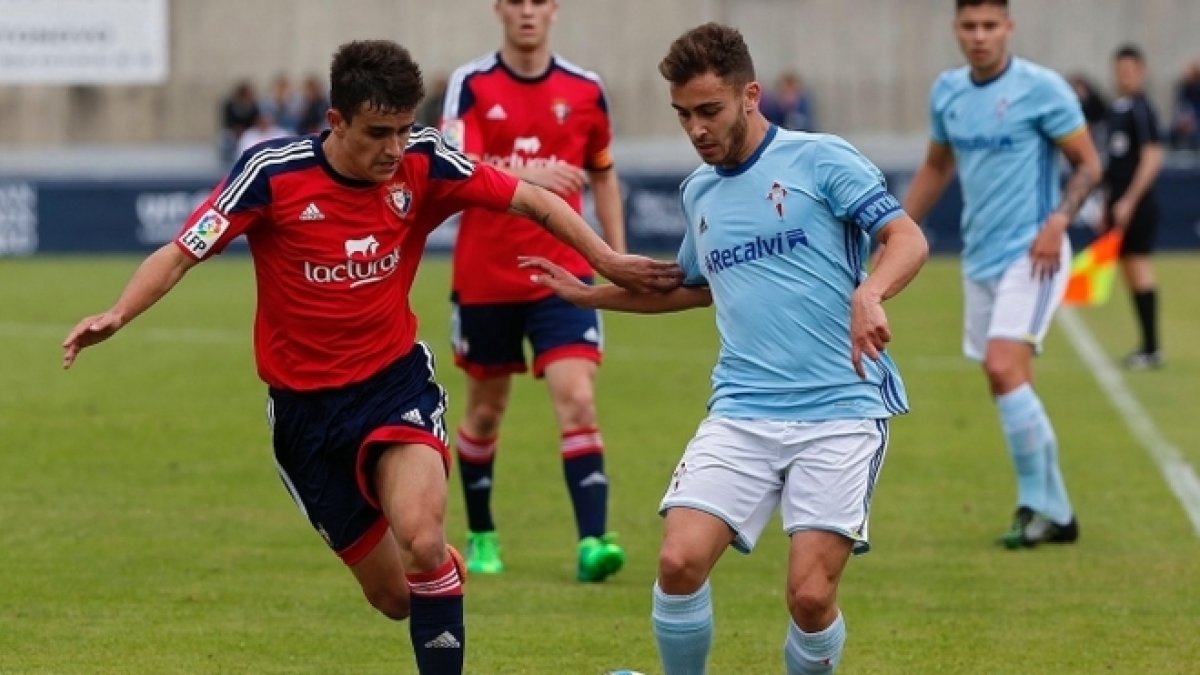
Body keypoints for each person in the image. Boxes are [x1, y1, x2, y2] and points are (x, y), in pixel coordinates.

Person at [61, 39, 679, 675]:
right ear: (336, 121)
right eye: (379, 132)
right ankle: (438, 578)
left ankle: (435, 566)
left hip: (394, 388)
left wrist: (607, 260)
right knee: (396, 598)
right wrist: (118, 313)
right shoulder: (270, 174)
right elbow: (181, 252)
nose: (395, 148)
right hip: (305, 420)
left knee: (421, 540)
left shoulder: (425, 161)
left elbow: (534, 199)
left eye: (405, 129)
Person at [523, 22, 928, 674]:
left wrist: (870, 292)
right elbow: (690, 287)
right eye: (683, 115)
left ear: (750, 96)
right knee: (677, 561)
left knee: (810, 597)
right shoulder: (700, 191)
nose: (696, 129)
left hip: (840, 410)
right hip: (741, 410)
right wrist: (588, 295)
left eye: (709, 110)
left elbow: (906, 237)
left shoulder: (820, 159)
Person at [439, 0, 629, 581]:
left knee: (578, 399)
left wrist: (618, 260)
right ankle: (481, 534)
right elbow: (453, 164)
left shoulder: (586, 88)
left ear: (554, 10)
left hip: (564, 274)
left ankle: (593, 542)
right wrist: (529, 175)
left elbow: (603, 175)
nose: (527, 11)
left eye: (537, 1)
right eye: (515, 1)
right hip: (486, 277)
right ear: (499, 9)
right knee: (485, 411)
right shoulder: (471, 83)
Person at [902, 0, 1102, 549]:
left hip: (1033, 254)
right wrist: (896, 228)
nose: (980, 36)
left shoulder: (1043, 89)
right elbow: (937, 165)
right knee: (1009, 382)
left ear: (1008, 28)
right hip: (980, 256)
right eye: (970, 26)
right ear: (956, 29)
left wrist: (1058, 222)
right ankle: (1058, 513)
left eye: (990, 26)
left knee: (1001, 367)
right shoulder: (948, 92)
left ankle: (1035, 504)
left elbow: (1089, 163)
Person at [1099, 45, 1165, 369]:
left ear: (1141, 72)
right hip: (1118, 202)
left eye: (1129, 71)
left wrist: (1129, 200)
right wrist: (1107, 203)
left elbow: (1152, 157)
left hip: (1136, 204)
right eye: (1120, 71)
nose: (1124, 77)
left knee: (1139, 267)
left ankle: (1152, 348)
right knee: (1129, 271)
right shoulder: (1117, 110)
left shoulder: (1141, 109)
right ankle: (1147, 346)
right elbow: (1114, 163)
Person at [1169, 61, 1200, 150]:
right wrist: (1181, 120)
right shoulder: (1184, 89)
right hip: (1184, 121)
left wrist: (1193, 121)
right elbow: (1179, 106)